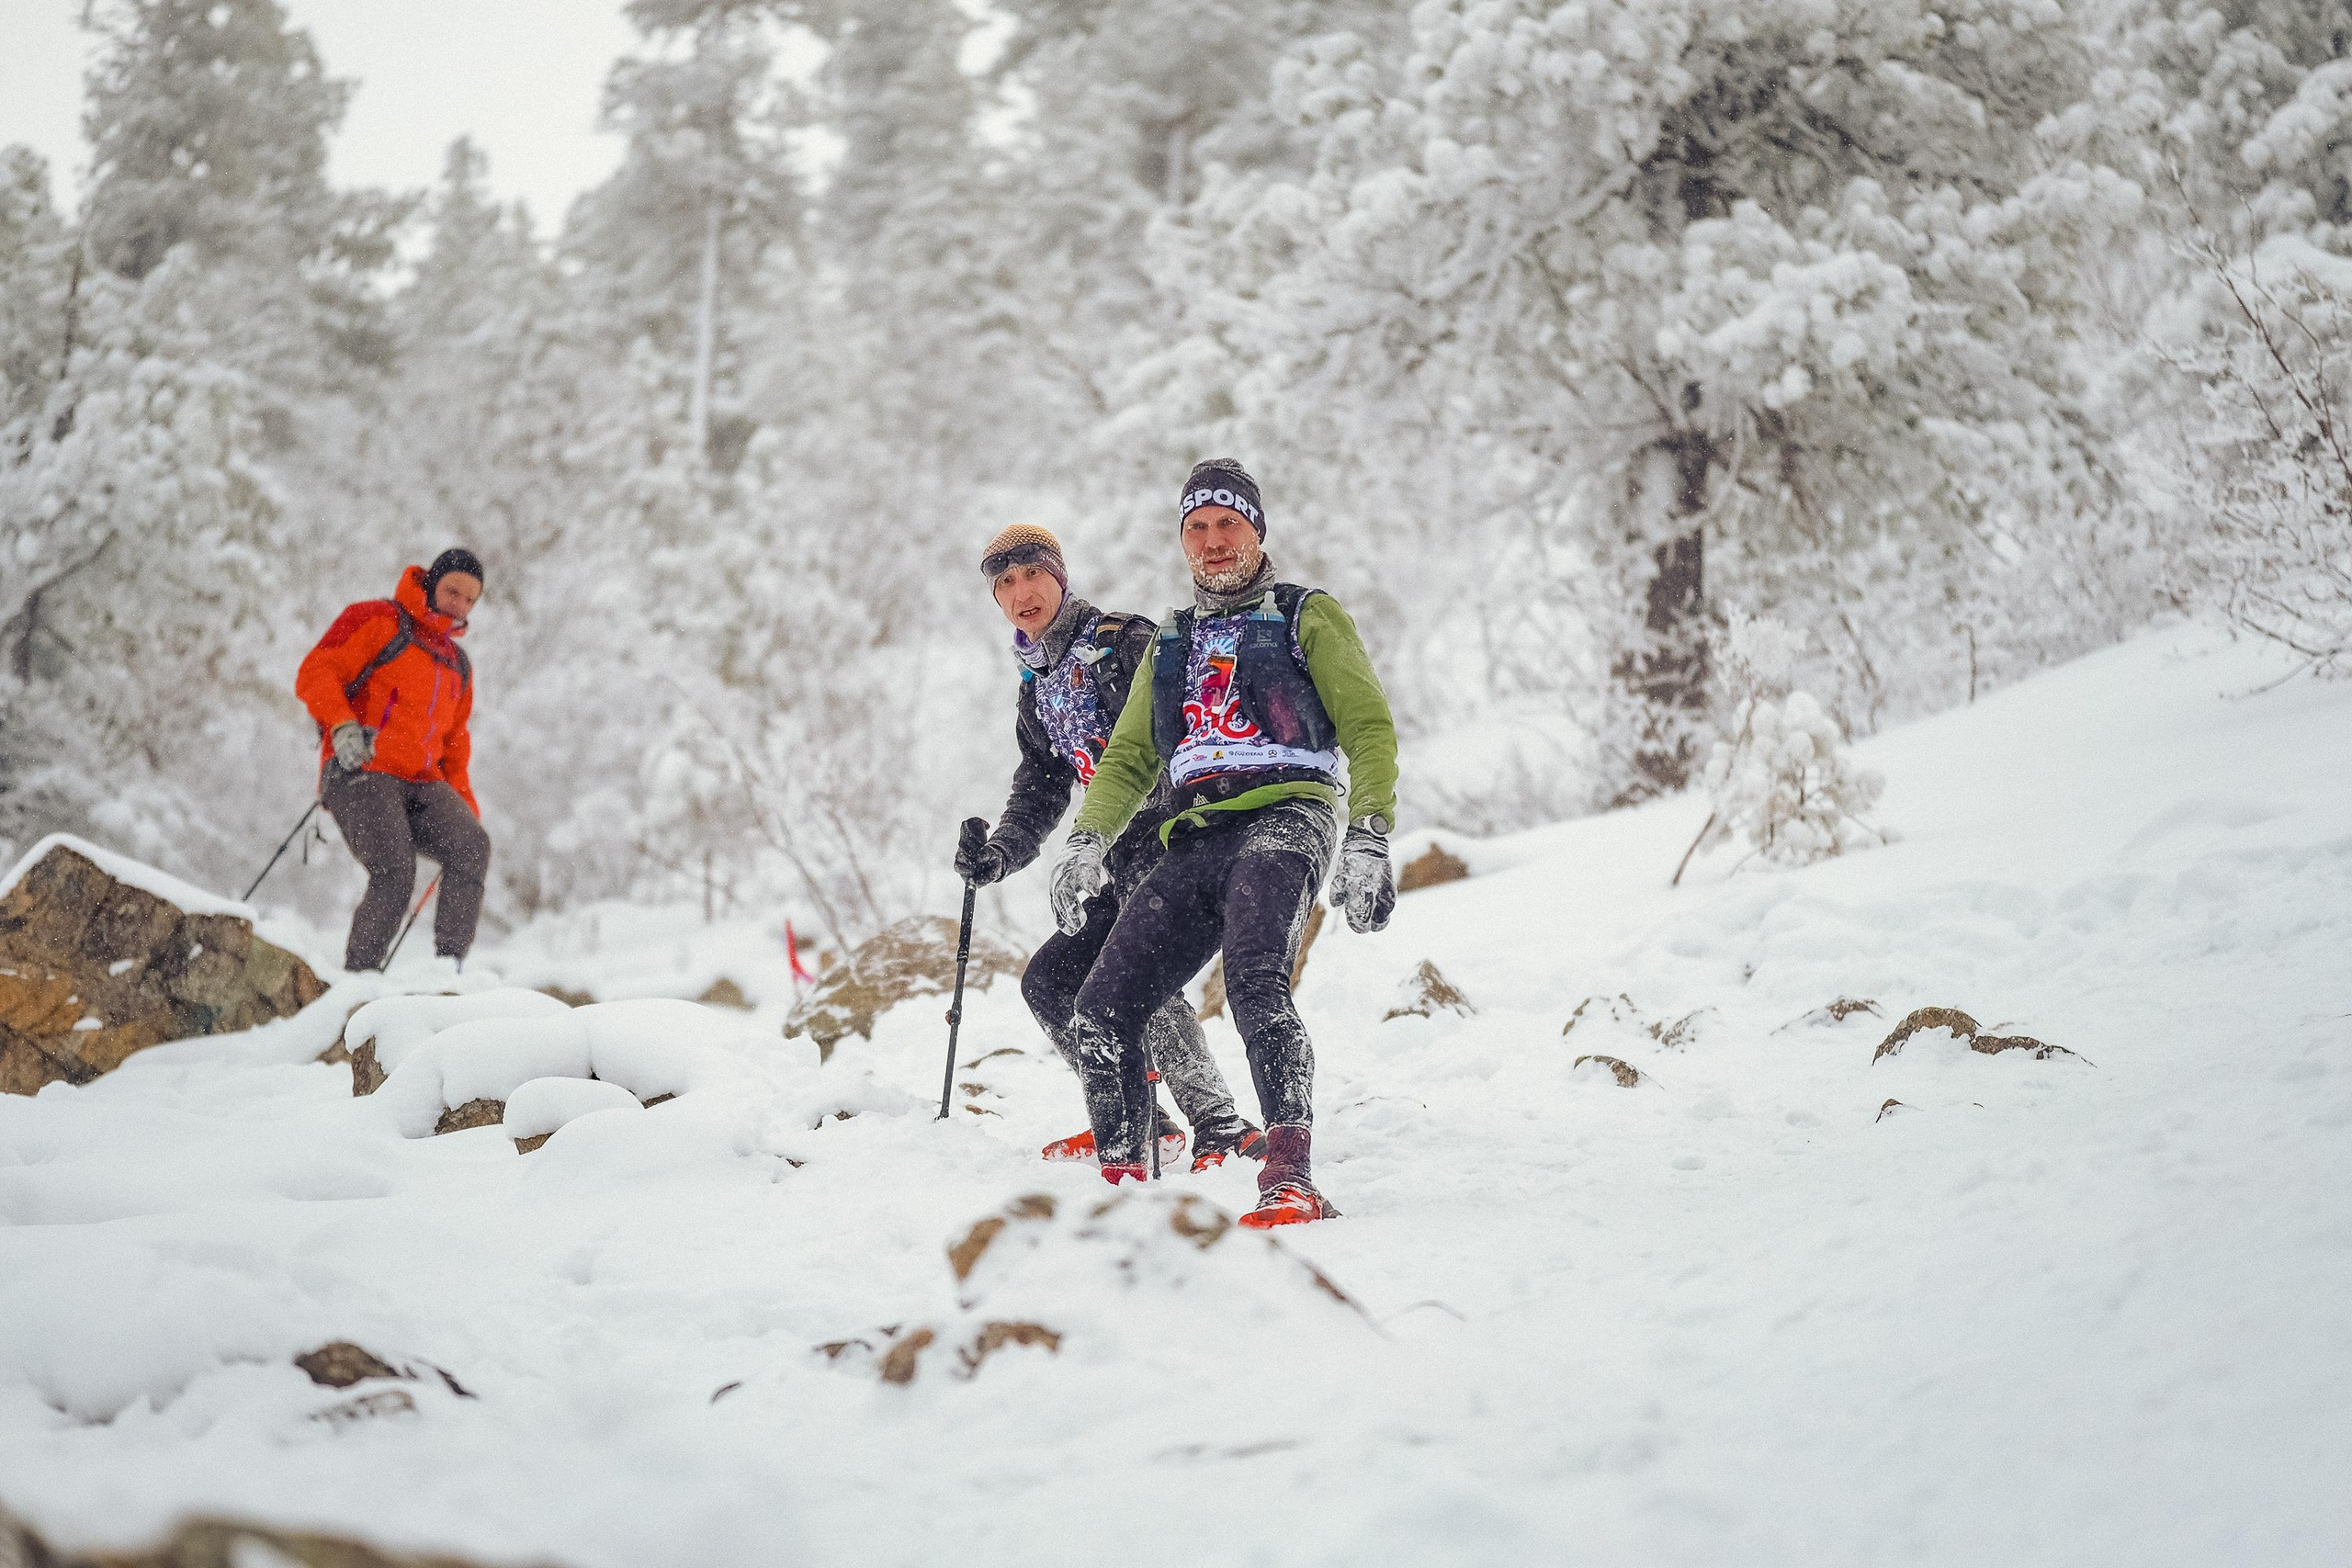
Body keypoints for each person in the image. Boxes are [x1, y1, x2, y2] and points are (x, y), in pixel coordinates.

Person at [1050, 461, 1398, 1227]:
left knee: (1254, 981)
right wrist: (1085, 841)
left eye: (1228, 524)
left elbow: (1369, 726)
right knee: (1100, 1006)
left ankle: (1290, 1176)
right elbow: (1130, 757)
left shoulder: (1306, 615)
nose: (1213, 541)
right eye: (1197, 528)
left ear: (1257, 532)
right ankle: (1123, 1186)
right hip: (1197, 835)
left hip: (1287, 816)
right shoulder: (1172, 640)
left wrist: (1369, 834)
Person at [958, 524, 1266, 1171]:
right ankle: (1137, 1116)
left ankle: (1221, 1125)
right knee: (1050, 982)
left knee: (1141, 975)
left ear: (1059, 577)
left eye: (1032, 574)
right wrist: (1000, 854)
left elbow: (1197, 725)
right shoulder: (1037, 686)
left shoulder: (1122, 642)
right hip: (1118, 858)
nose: (1021, 593)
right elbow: (1041, 787)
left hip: (1180, 839)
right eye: (1005, 583)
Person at [295, 549, 490, 973]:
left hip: (422, 783)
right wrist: (342, 725)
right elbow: (316, 672)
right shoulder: (378, 620)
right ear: (431, 583)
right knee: (396, 870)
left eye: (470, 599)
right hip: (362, 769)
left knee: (472, 845)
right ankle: (358, 980)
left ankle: (447, 973)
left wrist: (464, 810)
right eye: (452, 591)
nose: (459, 605)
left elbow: (454, 747)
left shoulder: (458, 665)